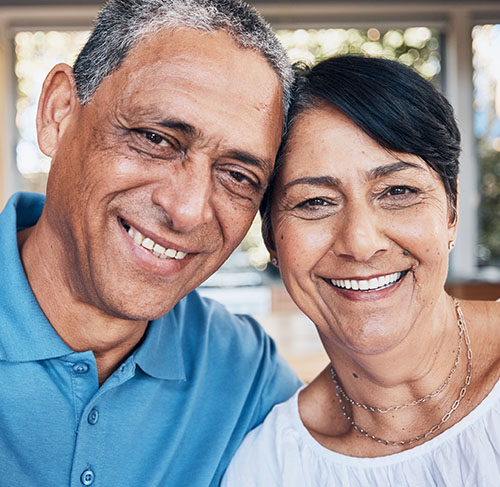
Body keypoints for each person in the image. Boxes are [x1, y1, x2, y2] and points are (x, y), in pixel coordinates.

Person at [0, 1, 302, 485]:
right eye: (156, 138)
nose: (187, 210)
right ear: (58, 114)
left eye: (238, 175)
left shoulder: (241, 370)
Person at [222, 55, 500, 486]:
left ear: (452, 210)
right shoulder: (271, 466)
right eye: (314, 202)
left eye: (398, 191)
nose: (360, 242)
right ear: (273, 238)